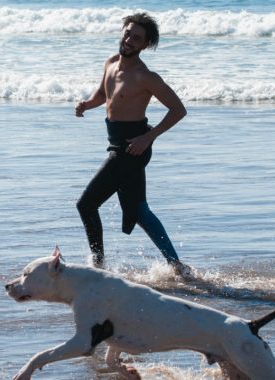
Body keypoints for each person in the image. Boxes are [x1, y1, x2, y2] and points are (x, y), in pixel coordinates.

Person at [74, 13, 192, 277]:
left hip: (131, 147)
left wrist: (147, 137)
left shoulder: (145, 76)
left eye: (136, 38)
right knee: (139, 210)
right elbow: (104, 94)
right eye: (127, 33)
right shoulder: (111, 62)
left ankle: (99, 266)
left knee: (86, 204)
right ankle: (176, 265)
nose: (129, 40)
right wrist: (86, 104)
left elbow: (178, 110)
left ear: (144, 45)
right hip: (116, 142)